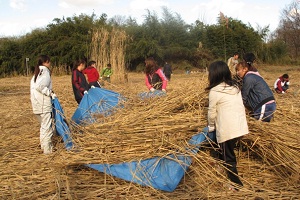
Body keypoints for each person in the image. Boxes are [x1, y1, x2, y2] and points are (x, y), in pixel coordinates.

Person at [204, 60, 248, 191]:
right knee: (226, 151)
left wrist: (211, 126)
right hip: (240, 127)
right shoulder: (235, 87)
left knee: (229, 157)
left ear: (214, 75)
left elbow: (211, 113)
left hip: (227, 130)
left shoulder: (214, 91)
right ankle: (221, 166)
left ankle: (236, 184)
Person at [236, 53, 276, 122]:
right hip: (267, 104)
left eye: (238, 70)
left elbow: (244, 96)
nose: (237, 73)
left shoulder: (249, 77)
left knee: (258, 127)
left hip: (264, 105)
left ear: (245, 69)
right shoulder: (254, 73)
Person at [30, 55, 56, 154]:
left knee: (43, 127)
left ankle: (43, 147)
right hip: (43, 104)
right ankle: (47, 150)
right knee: (47, 128)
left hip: (36, 104)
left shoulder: (37, 73)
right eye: (49, 62)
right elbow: (40, 86)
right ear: (46, 62)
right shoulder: (45, 72)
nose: (50, 63)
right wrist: (50, 93)